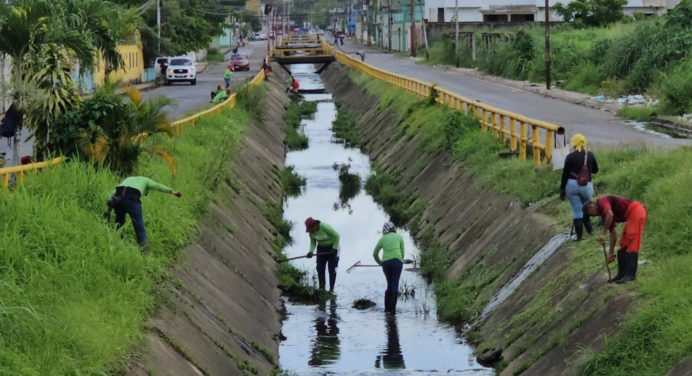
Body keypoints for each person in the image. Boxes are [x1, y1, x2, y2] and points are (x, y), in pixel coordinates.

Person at [583, 195, 647, 283]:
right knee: (623, 243)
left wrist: (603, 232)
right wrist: (611, 252)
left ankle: (630, 275)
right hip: (631, 216)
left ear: (591, 206)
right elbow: (613, 233)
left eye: (590, 214)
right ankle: (621, 274)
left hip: (636, 211)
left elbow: (610, 214)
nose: (593, 216)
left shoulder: (602, 202)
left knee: (632, 241)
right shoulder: (604, 215)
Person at [109, 176, 181, 252]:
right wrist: (172, 191)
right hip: (133, 199)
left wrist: (107, 212)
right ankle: (144, 254)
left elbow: (113, 194)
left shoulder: (128, 179)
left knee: (119, 225)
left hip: (118, 199)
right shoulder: (146, 180)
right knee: (139, 228)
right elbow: (156, 186)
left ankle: (118, 247)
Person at [560, 134, 599, 241]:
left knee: (577, 211)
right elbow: (596, 170)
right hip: (587, 186)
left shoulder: (570, 156)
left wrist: (562, 190)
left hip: (572, 186)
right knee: (586, 208)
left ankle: (579, 237)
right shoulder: (590, 155)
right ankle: (591, 233)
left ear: (573, 143)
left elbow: (565, 175)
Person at [373, 222, 404, 313]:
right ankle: (392, 312)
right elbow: (402, 253)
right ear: (393, 228)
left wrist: (380, 263)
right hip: (397, 262)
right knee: (394, 286)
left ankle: (386, 310)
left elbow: (375, 254)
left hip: (386, 264)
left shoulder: (382, 239)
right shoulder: (399, 237)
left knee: (389, 285)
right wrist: (400, 260)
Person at [305, 217, 340, 292]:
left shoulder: (324, 227)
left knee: (332, 269)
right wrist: (311, 251)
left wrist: (334, 248)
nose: (310, 231)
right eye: (309, 230)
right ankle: (322, 288)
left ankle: (331, 289)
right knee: (320, 268)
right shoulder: (311, 233)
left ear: (315, 225)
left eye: (311, 229)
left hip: (333, 248)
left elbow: (337, 236)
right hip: (321, 249)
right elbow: (313, 242)